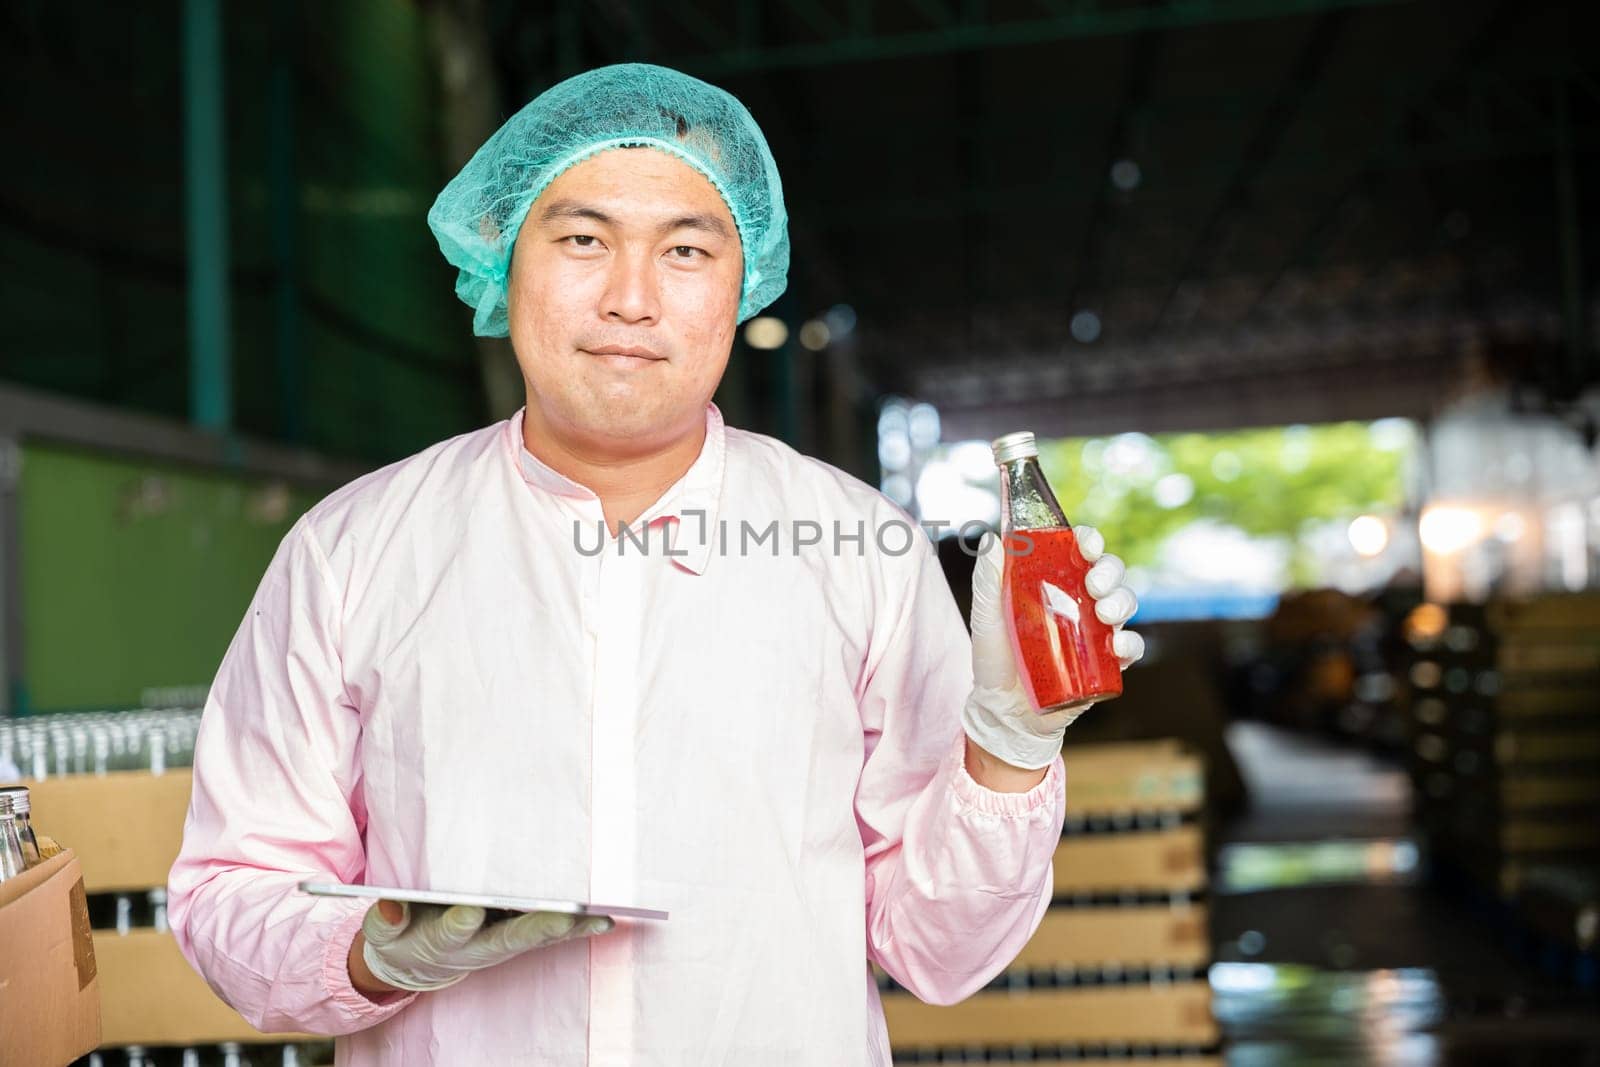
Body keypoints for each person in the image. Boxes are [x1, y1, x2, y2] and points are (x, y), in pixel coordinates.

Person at [167, 63, 1143, 1065]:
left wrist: (1009, 748)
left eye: (685, 248)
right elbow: (231, 889)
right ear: (504, 258)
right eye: (583, 239)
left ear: (740, 281)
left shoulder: (858, 547)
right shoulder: (353, 550)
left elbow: (939, 952)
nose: (630, 298)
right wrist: (372, 950)